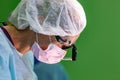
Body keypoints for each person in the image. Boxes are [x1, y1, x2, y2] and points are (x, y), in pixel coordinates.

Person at [0, 0, 86, 80]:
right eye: (62, 41)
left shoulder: (26, 55)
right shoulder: (2, 48)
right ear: (41, 21)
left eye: (68, 47)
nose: (61, 51)